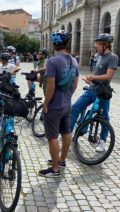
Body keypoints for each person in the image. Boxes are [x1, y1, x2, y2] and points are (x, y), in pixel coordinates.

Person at [38, 31, 79, 178]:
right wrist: (68, 97)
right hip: (67, 104)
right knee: (66, 132)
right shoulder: (73, 61)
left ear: (54, 44)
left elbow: (51, 87)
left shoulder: (52, 61)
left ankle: (55, 169)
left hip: (54, 106)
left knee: (52, 137)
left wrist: (46, 103)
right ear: (67, 44)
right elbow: (75, 84)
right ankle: (61, 160)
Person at [70, 33, 118, 152]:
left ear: (105, 45)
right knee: (75, 107)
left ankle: (102, 141)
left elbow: (108, 75)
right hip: (91, 90)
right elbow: (97, 75)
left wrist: (93, 77)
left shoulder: (113, 57)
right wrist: (89, 80)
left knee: (104, 117)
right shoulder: (99, 56)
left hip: (102, 92)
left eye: (98, 44)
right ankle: (68, 134)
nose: (96, 47)